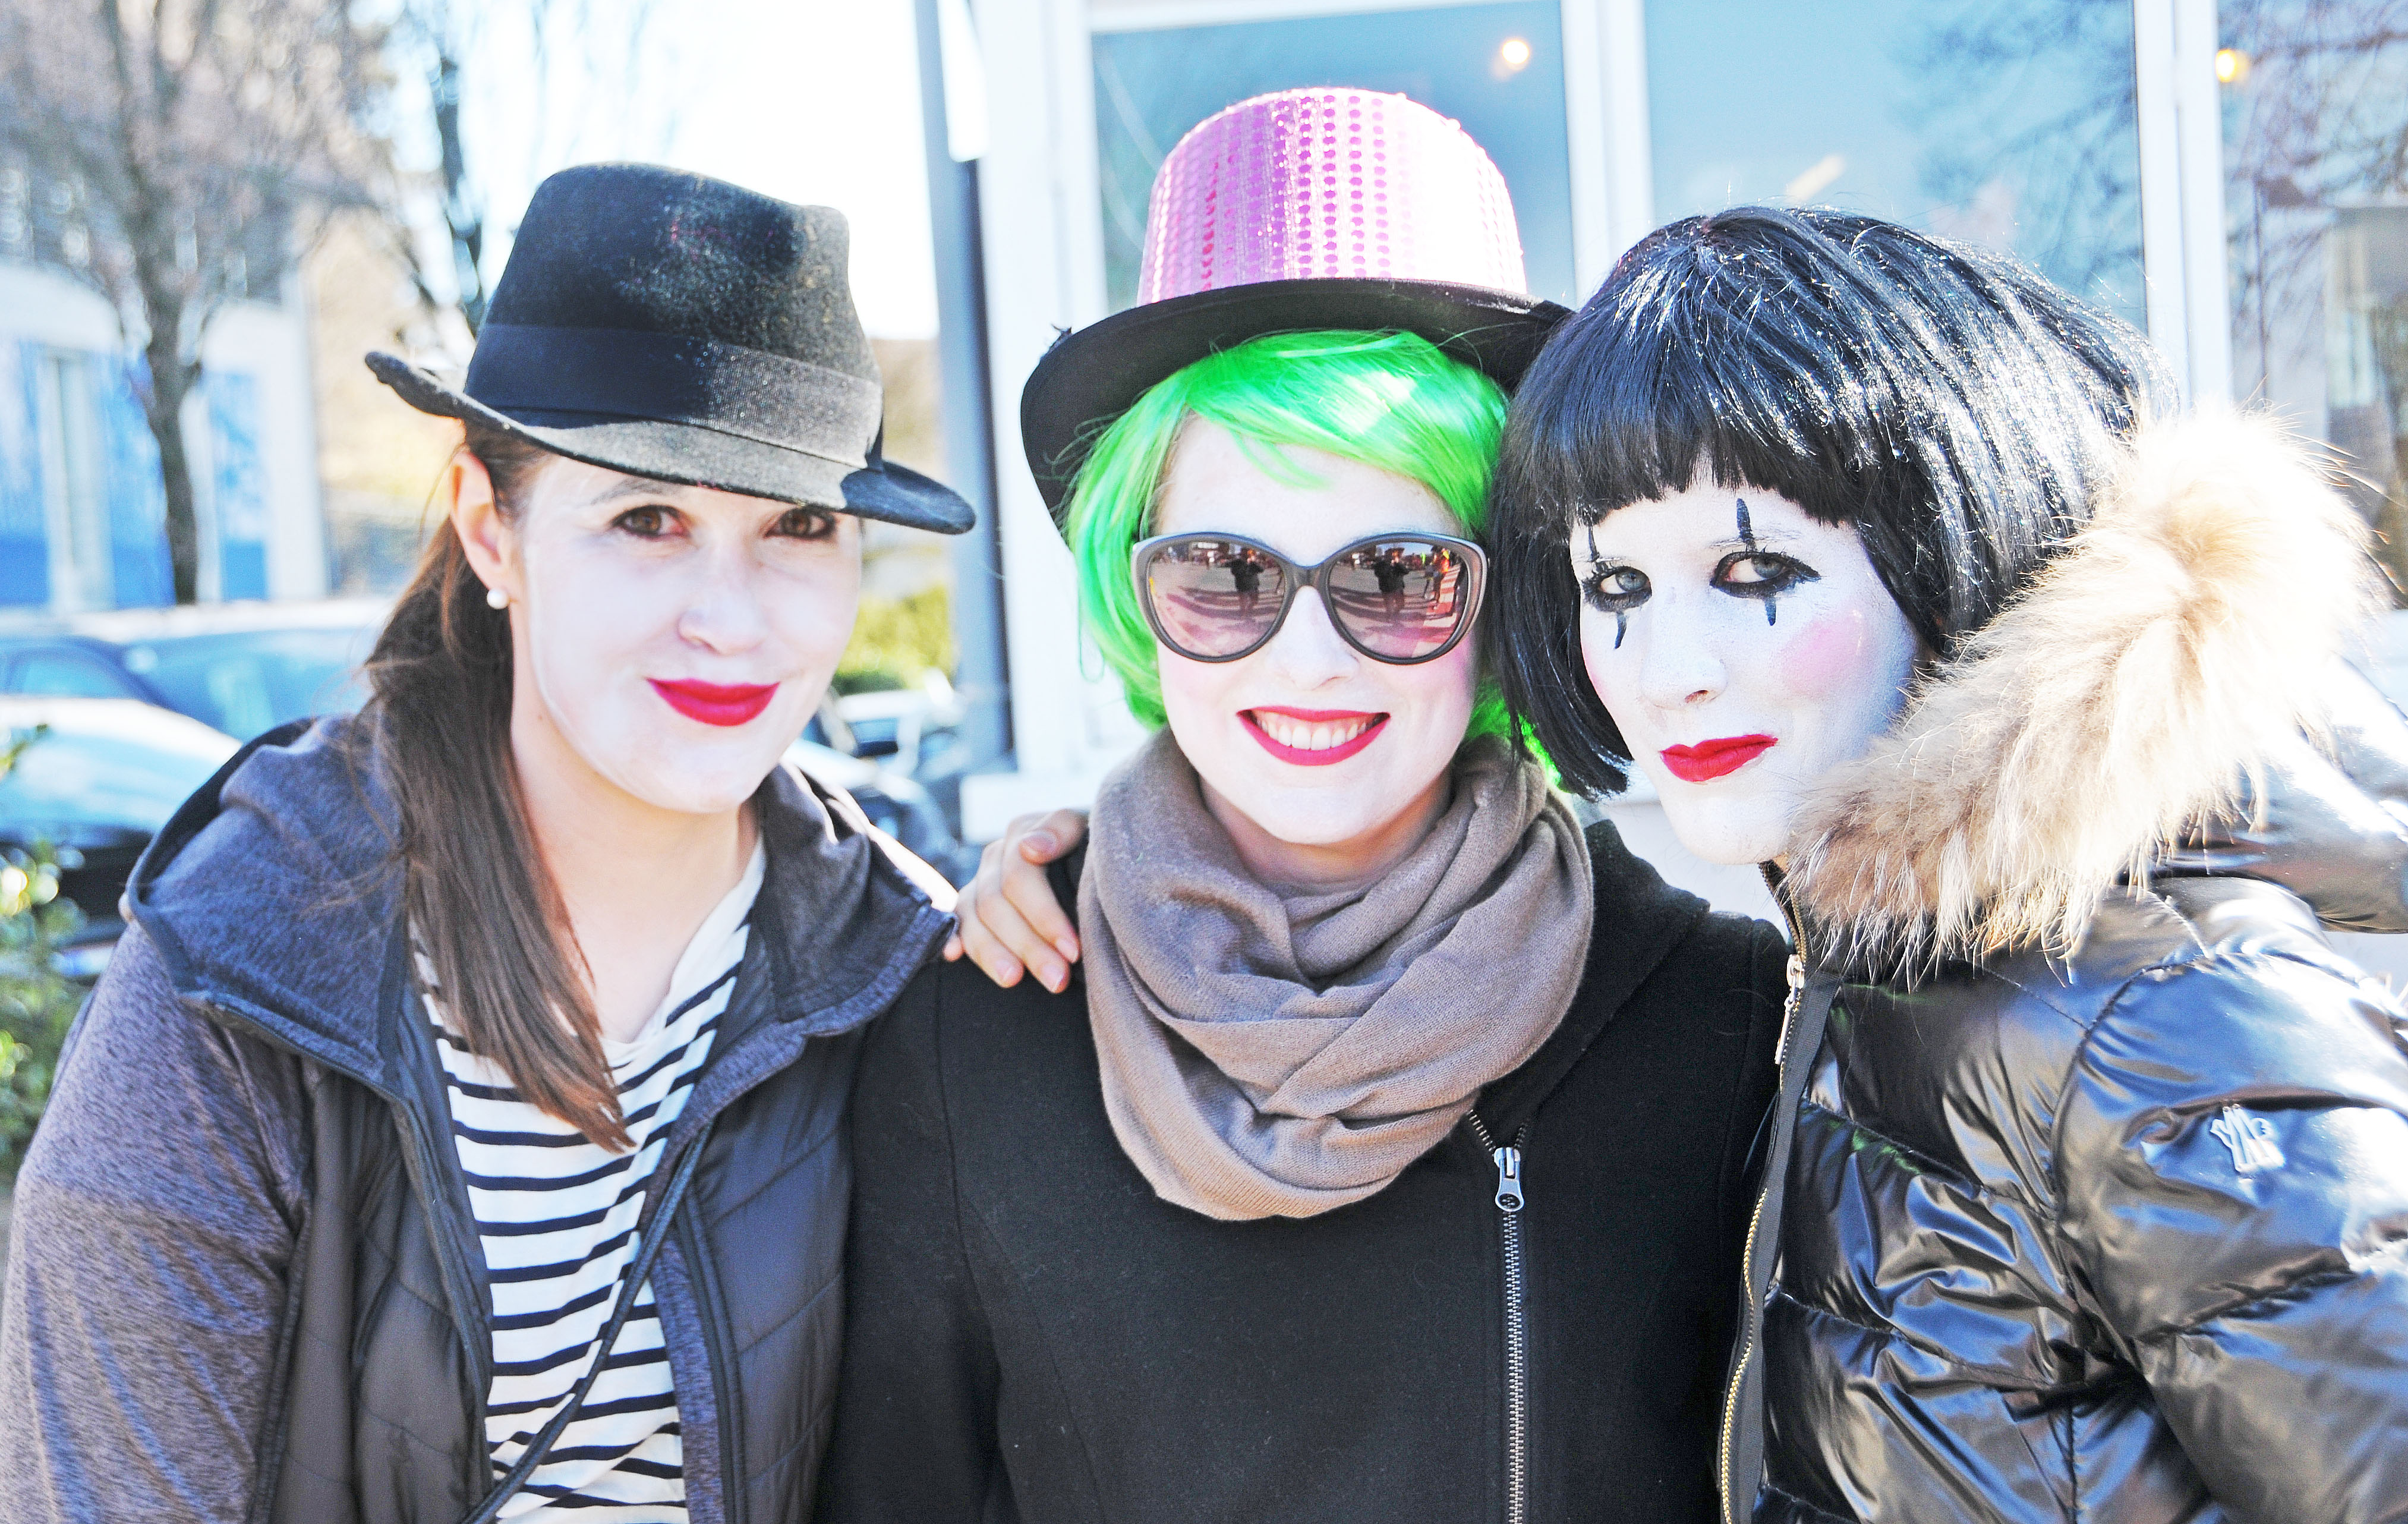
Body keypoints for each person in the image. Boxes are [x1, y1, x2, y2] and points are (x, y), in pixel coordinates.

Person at [815, 90, 1788, 1524]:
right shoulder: (976, 1027)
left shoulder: (1719, 1019)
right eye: (1226, 574)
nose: (1310, 658)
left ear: (1508, 596)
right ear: (1135, 591)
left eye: (1398, 576)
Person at [0, 163, 973, 1524]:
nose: (731, 618)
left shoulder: (896, 962)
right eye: (647, 519)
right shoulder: (238, 978)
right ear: (488, 530)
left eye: (798, 526)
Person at [1489, 206, 2408, 1523]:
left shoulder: (2152, 1016)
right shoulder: (1886, 966)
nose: (1667, 669)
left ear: (1951, 539)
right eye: (1616, 587)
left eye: (1753, 568)